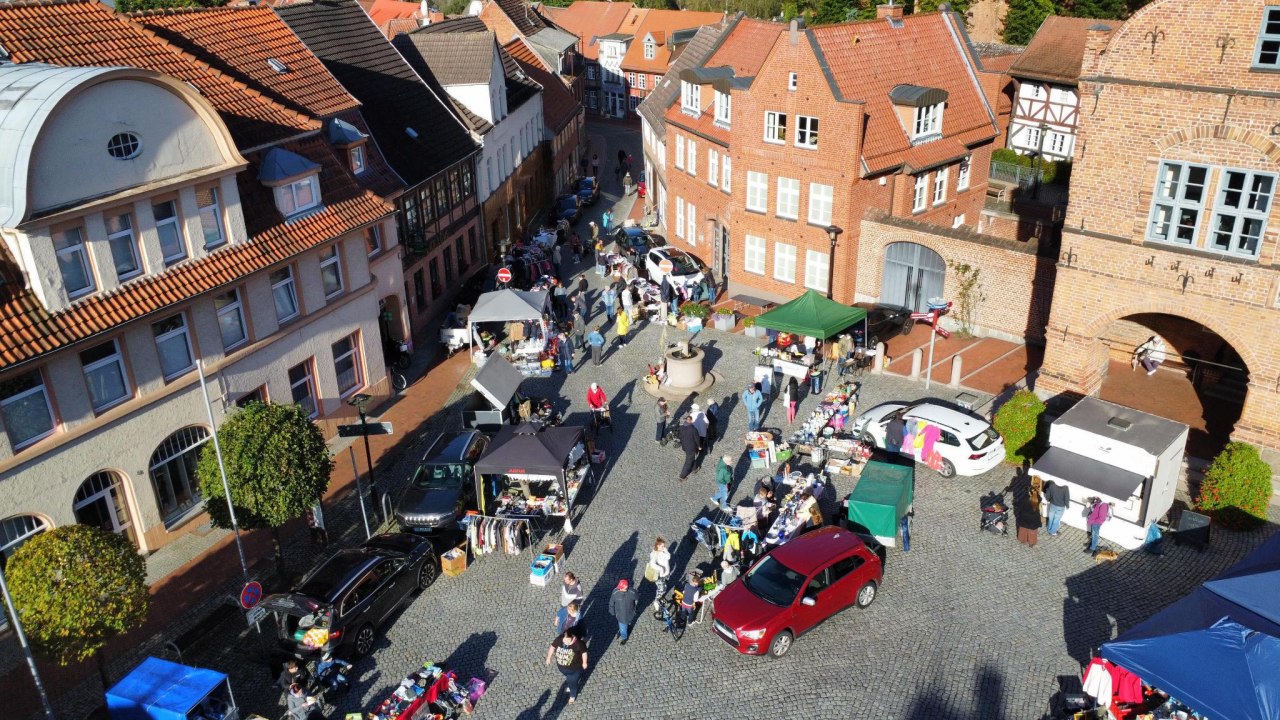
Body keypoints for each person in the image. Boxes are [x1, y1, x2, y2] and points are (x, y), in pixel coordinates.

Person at [545, 629, 588, 704]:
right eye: (565, 639)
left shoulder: (579, 644)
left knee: (572, 683)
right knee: (569, 678)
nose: (565, 642)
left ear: (572, 637)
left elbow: (584, 653)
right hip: (562, 668)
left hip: (574, 669)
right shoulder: (559, 639)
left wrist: (584, 663)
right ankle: (570, 684)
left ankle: (572, 695)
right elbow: (552, 647)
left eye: (568, 640)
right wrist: (549, 658)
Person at [609, 579, 638, 644]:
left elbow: (636, 598)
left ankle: (625, 636)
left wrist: (613, 612)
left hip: (629, 613)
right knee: (623, 628)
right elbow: (611, 603)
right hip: (622, 615)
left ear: (625, 588)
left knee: (625, 626)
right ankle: (624, 637)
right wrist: (612, 612)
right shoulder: (616, 592)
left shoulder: (632, 592)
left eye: (621, 588)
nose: (619, 588)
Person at [646, 537, 672, 611]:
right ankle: (656, 601)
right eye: (662, 546)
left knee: (665, 586)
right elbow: (652, 564)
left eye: (664, 546)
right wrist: (661, 569)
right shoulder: (654, 554)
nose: (664, 547)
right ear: (658, 545)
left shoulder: (663, 550)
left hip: (665, 574)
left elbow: (668, 557)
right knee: (661, 589)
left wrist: (665, 550)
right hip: (659, 575)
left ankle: (661, 598)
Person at [678, 415, 701, 481]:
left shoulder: (681, 427)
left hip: (685, 446)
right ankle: (682, 476)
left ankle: (694, 468)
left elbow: (680, 437)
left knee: (691, 457)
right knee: (688, 461)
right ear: (691, 421)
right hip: (691, 448)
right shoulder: (693, 429)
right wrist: (699, 446)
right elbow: (697, 439)